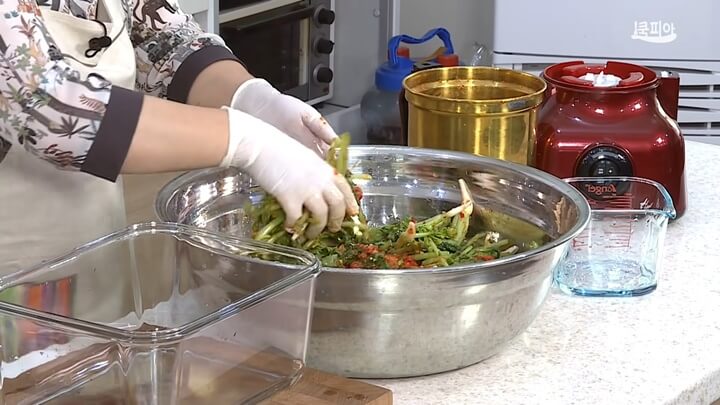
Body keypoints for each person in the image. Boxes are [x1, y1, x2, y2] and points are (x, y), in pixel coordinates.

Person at [0, 0, 359, 276]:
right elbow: (46, 105)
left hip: (93, 251)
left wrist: (252, 98)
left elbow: (163, 42)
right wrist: (248, 141)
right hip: (12, 274)